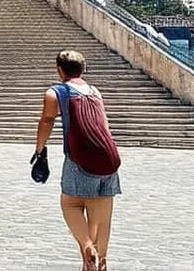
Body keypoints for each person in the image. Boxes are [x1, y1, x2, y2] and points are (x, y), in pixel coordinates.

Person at [35, 50, 121, 271]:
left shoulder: (56, 92)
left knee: (71, 204)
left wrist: (39, 150)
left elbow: (47, 121)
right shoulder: (95, 91)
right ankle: (100, 259)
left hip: (80, 160)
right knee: (101, 216)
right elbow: (105, 125)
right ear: (83, 69)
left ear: (59, 70)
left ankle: (87, 246)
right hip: (110, 159)